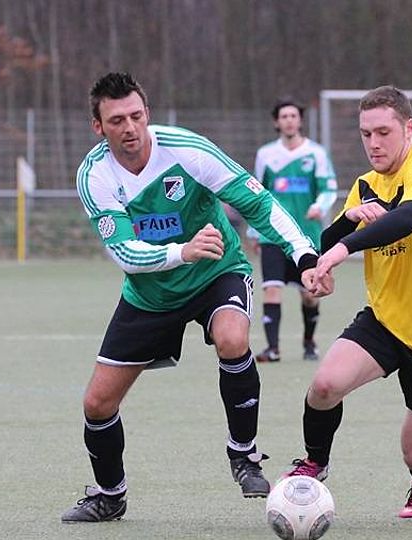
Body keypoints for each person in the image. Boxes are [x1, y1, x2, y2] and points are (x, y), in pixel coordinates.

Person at [62, 72, 319, 523]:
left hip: (216, 272)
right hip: (151, 294)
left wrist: (303, 254)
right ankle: (109, 496)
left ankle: (244, 455)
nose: (130, 128)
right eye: (117, 120)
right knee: (97, 404)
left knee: (233, 338)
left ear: (148, 113)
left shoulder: (187, 149)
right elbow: (124, 253)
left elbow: (257, 203)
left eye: (136, 116)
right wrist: (181, 251)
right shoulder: (94, 175)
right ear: (98, 127)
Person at [286, 86, 412, 519]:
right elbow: (326, 242)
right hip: (387, 319)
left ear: (408, 129)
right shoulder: (366, 185)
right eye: (365, 134)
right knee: (325, 386)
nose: (374, 143)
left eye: (383, 132)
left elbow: (407, 218)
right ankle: (315, 463)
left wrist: (342, 250)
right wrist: (342, 228)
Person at [249, 97, 337, 363]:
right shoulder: (266, 154)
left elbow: (329, 188)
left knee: (310, 294)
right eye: (284, 117)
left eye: (293, 116)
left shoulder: (316, 153)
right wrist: (254, 231)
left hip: (306, 235)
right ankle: (272, 348)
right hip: (273, 235)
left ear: (300, 121)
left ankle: (309, 342)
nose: (289, 121)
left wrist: (319, 206)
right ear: (277, 122)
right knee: (271, 288)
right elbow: (255, 195)